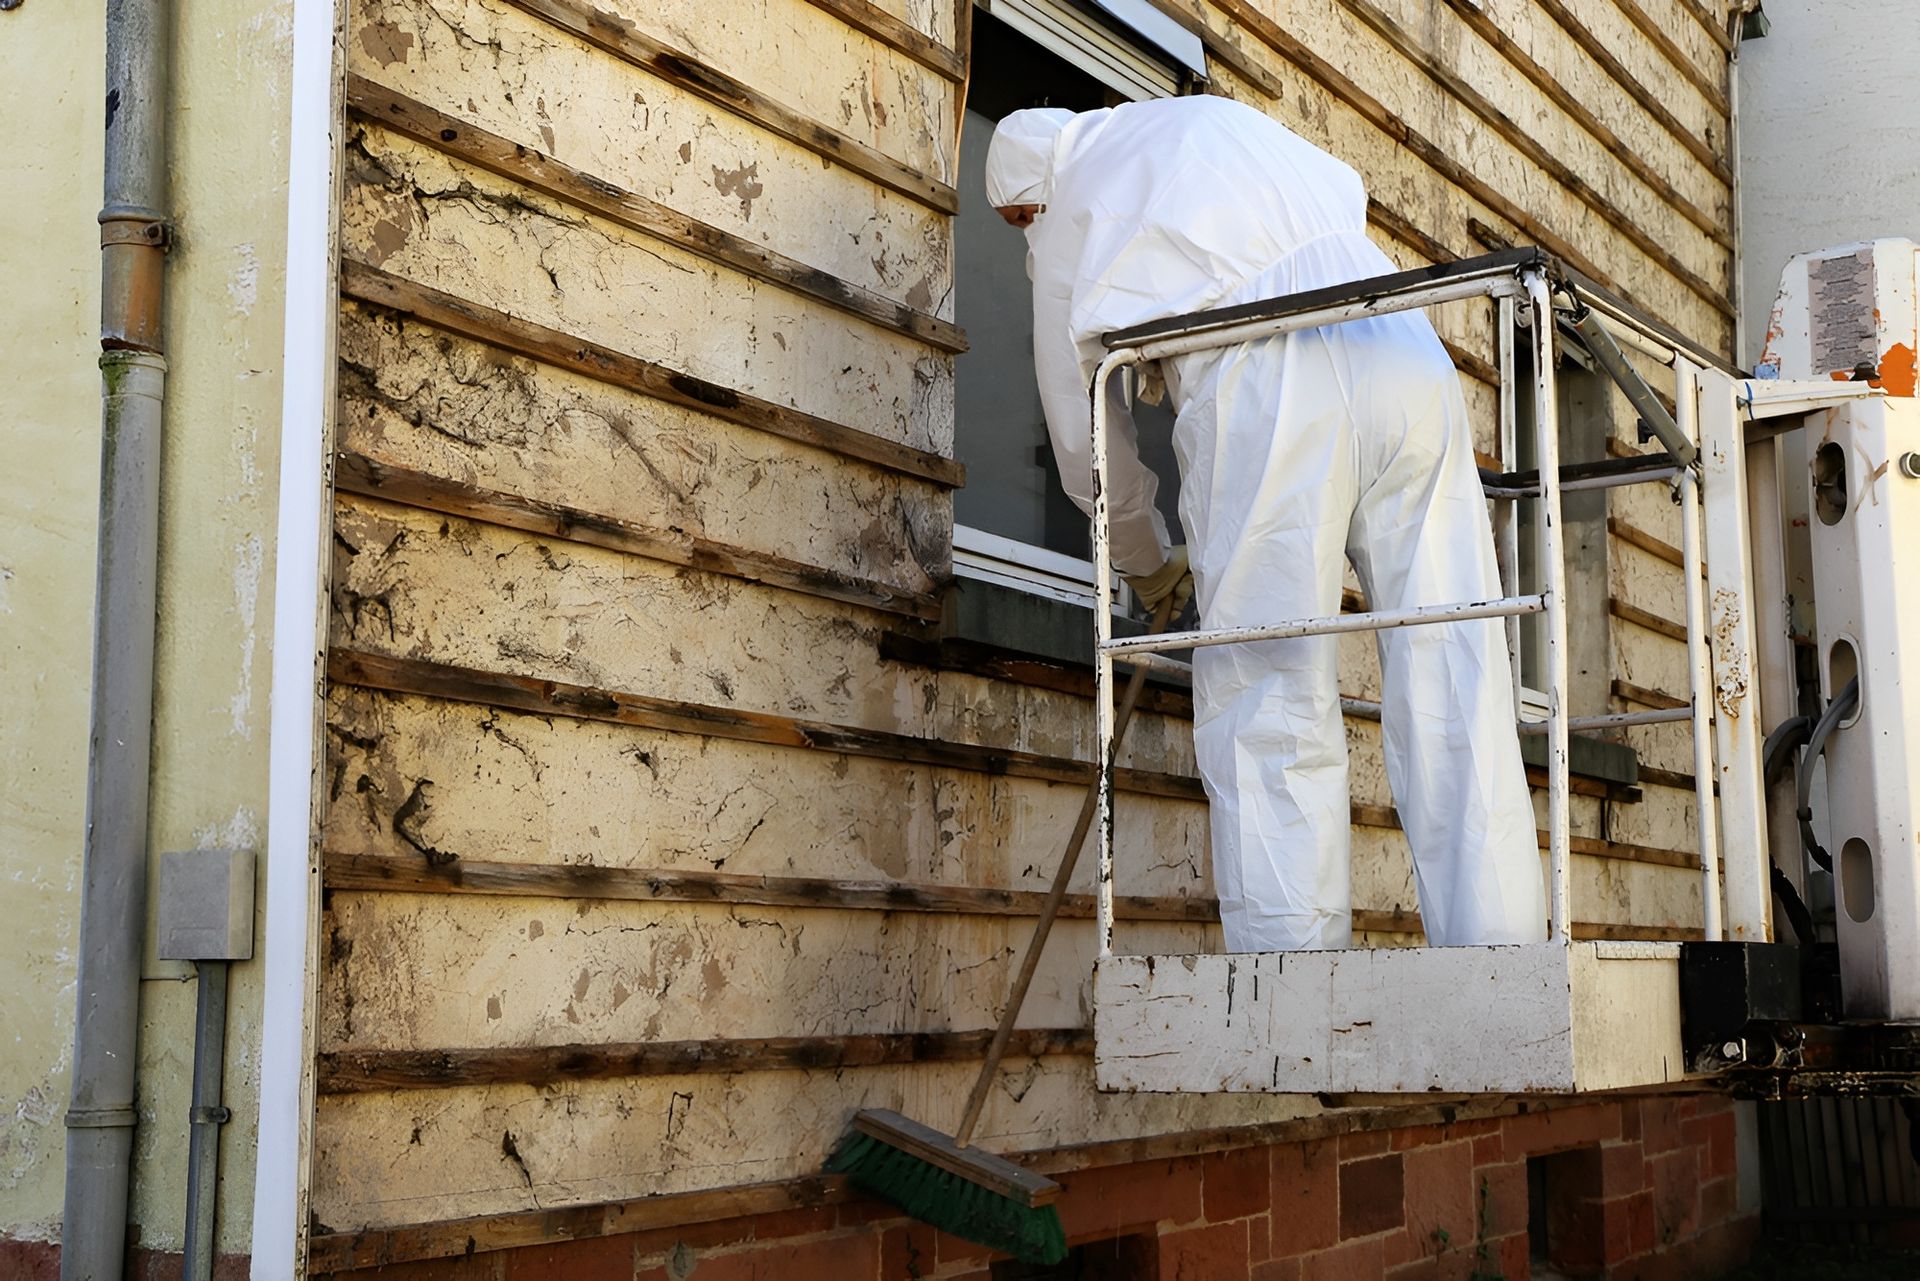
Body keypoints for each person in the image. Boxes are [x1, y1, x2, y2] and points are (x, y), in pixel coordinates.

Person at [984, 97, 1545, 952]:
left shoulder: (1069, 206)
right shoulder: (1192, 122)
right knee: (1453, 652)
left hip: (1271, 370)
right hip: (1400, 340)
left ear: (1029, 196)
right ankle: (1500, 945)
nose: (1027, 234)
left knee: (1268, 677)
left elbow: (1084, 435)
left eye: (1020, 219)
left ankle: (1292, 966)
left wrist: (1144, 563)